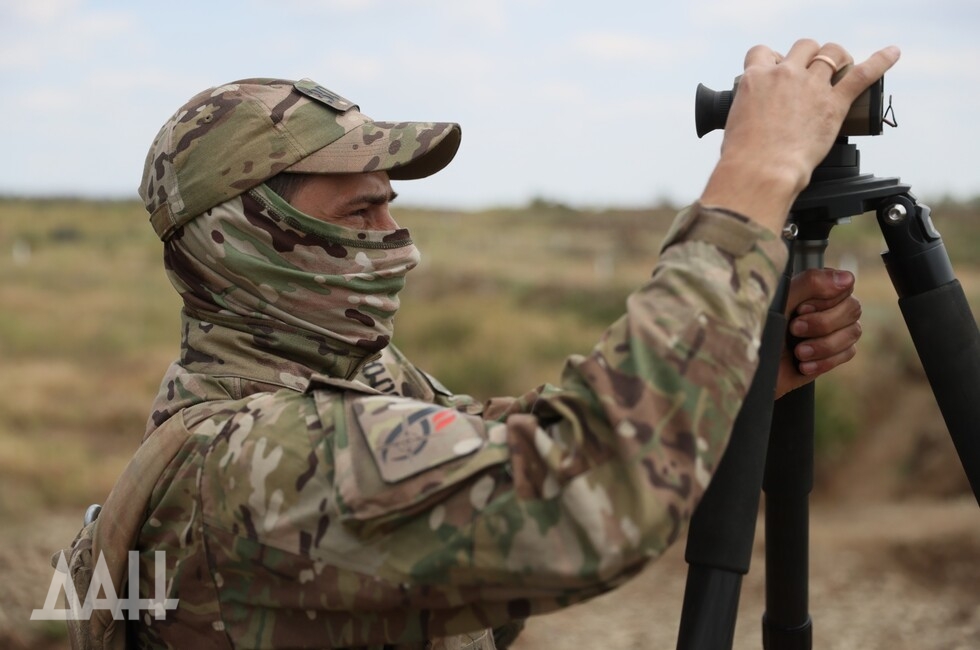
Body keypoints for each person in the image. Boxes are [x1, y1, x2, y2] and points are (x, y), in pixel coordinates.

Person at [114, 39, 896, 649]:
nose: (399, 244)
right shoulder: (257, 459)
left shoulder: (334, 381)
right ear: (247, 240)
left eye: (391, 208)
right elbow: (585, 486)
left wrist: (739, 369)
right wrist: (758, 172)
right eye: (360, 215)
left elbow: (509, 438)